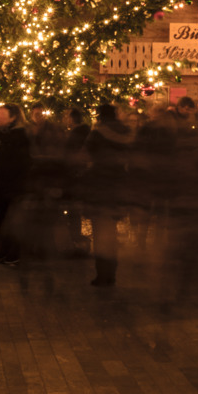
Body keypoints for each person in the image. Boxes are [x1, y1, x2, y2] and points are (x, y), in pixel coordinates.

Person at [83, 102, 139, 286]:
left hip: (100, 186)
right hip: (118, 186)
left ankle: (102, 274)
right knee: (112, 232)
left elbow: (86, 154)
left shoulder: (97, 133)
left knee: (100, 232)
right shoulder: (126, 132)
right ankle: (111, 273)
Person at [0, 104, 30, 262]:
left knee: (13, 222)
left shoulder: (20, 136)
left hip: (14, 185)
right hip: (0, 184)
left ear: (13, 117)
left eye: (2, 115)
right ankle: (3, 251)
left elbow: (21, 162)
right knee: (2, 220)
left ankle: (14, 253)